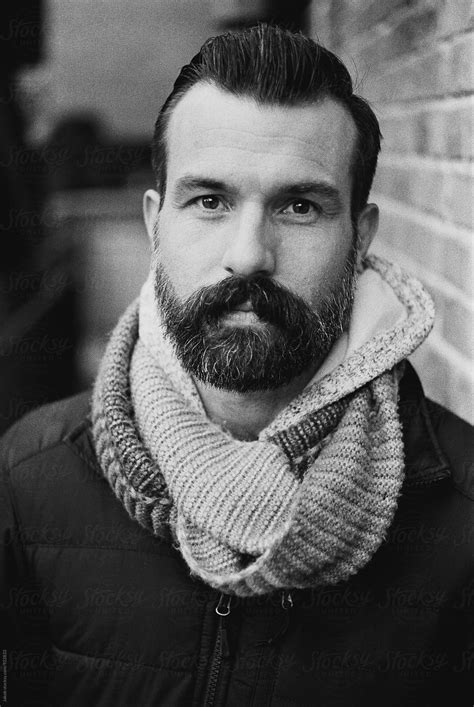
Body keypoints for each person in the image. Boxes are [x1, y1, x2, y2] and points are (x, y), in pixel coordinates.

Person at [1, 24, 472, 707]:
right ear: (156, 223)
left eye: (300, 205)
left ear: (361, 238)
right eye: (211, 200)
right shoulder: (28, 478)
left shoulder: (459, 519)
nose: (249, 253)